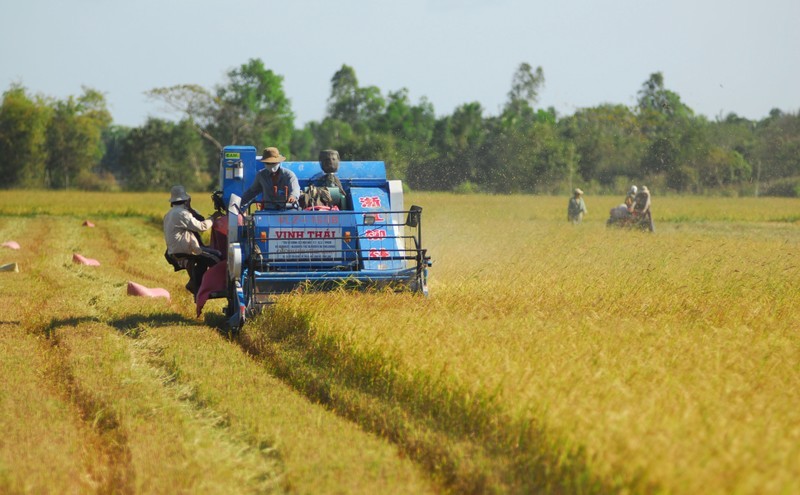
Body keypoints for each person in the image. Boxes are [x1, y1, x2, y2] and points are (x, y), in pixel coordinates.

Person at [163, 185, 222, 296]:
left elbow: (198, 219)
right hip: (185, 249)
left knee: (203, 261)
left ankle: (194, 284)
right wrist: (213, 217)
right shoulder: (182, 214)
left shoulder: (170, 214)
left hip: (174, 249)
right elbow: (201, 226)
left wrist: (190, 208)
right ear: (186, 200)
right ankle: (216, 285)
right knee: (217, 257)